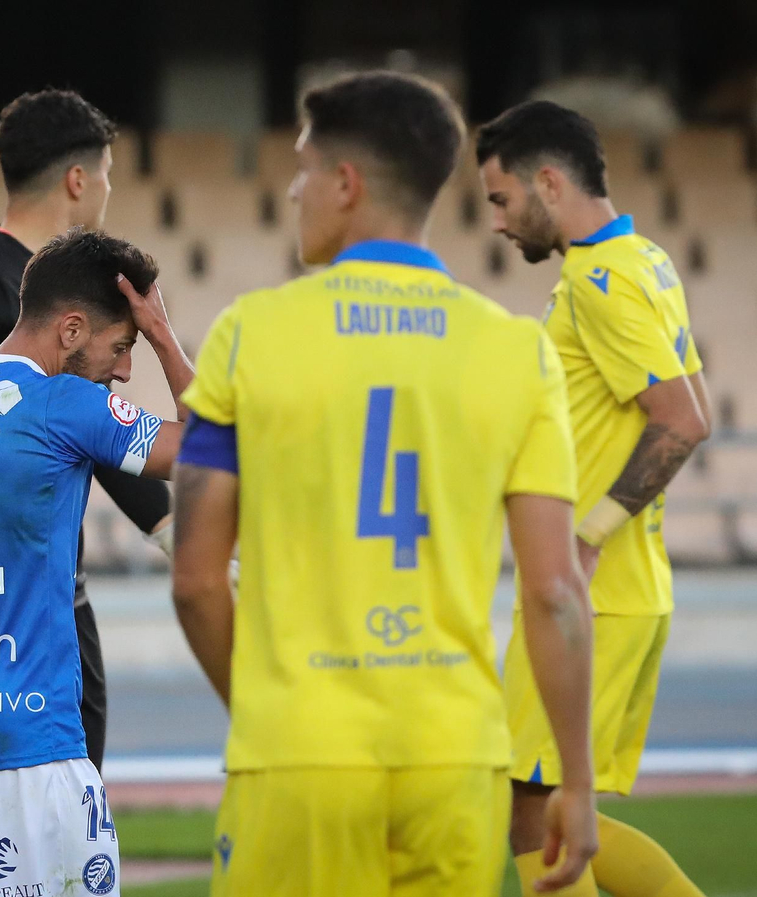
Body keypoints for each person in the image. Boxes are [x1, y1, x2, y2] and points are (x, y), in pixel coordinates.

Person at [171, 71, 597, 896]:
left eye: (302, 168)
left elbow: (194, 579)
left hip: (299, 750)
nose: (293, 189)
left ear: (345, 183)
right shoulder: (516, 350)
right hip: (456, 755)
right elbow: (553, 590)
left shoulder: (248, 334)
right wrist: (573, 782)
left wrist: (268, 711)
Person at [0, 229, 193, 897]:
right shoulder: (60, 405)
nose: (123, 368)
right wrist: (164, 333)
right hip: (23, 742)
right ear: (72, 328)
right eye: (121, 347)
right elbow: (209, 449)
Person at [0, 88, 175, 771]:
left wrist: (163, 516)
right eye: (107, 174)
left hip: (49, 595)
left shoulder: (63, 286)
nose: (110, 189)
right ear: (78, 180)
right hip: (3, 624)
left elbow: (75, 425)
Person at [476, 100, 711, 897]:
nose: (500, 224)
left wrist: (586, 538)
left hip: (591, 593)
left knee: (527, 810)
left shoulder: (599, 277)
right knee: (546, 809)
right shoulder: (646, 259)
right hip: (620, 591)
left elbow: (682, 420)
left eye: (502, 200)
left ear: (549, 180)